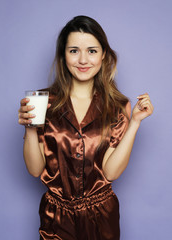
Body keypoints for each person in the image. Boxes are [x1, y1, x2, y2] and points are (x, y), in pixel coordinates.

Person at [18, 15, 154, 240]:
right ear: (63, 56)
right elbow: (34, 170)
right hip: (56, 218)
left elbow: (110, 173)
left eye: (91, 51)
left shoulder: (118, 106)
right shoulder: (42, 101)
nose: (83, 60)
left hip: (101, 217)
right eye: (73, 51)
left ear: (103, 55)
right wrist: (29, 127)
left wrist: (135, 123)